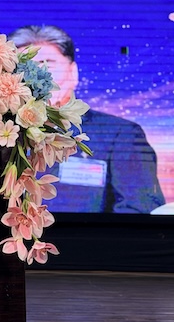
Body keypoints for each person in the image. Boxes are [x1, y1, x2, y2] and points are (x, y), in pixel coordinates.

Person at [8, 24, 165, 214]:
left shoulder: (119, 135)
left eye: (48, 64)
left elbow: (139, 211)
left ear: (73, 73)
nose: (38, 75)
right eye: (26, 66)